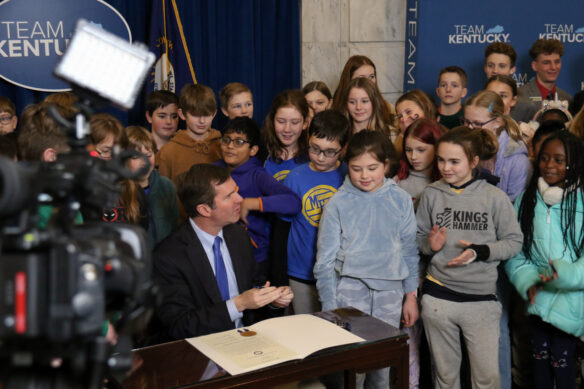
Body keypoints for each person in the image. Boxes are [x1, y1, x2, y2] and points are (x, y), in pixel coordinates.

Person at [416, 126, 523, 389]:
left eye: (454, 161)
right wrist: (431, 244)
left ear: (474, 161)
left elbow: (514, 242)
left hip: (481, 301)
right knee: (445, 377)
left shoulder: (494, 198)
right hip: (438, 298)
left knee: (486, 379)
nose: (445, 167)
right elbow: (417, 240)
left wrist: (480, 251)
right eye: (441, 160)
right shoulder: (431, 194)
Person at [314, 130, 419, 389]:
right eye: (356, 168)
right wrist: (330, 307)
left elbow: (409, 250)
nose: (364, 176)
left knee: (382, 368)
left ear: (386, 165)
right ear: (346, 166)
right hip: (349, 294)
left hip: (390, 293)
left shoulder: (401, 199)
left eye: (372, 168)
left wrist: (411, 296)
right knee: (351, 369)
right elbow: (324, 262)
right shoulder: (337, 203)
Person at [151, 163, 293, 341]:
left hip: (247, 341)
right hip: (201, 351)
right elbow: (180, 325)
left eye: (236, 191)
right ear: (204, 209)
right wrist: (238, 304)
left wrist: (272, 301)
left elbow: (255, 287)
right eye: (229, 196)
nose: (240, 199)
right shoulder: (168, 256)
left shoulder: (239, 236)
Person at [506, 131, 584, 389]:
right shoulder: (528, 200)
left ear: (574, 163)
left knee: (562, 364)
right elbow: (516, 248)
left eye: (559, 160)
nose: (550, 165)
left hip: (572, 304)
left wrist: (567, 275)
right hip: (538, 299)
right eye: (545, 158)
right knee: (538, 361)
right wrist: (527, 279)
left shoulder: (581, 200)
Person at [282, 110, 350, 314]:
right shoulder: (294, 178)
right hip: (300, 271)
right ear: (307, 140)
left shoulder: (349, 175)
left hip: (340, 272)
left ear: (343, 149)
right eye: (315, 148)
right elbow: (282, 228)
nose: (321, 157)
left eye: (330, 151)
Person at [215, 117, 301, 275]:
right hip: (219, 253)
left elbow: (293, 202)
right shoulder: (215, 169)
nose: (230, 146)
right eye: (226, 139)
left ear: (253, 150)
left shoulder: (257, 175)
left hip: (252, 258)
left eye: (239, 142)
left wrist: (252, 203)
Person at [464, 90, 530, 203]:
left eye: (477, 124)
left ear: (498, 122)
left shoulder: (517, 160)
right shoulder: (460, 147)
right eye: (466, 122)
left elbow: (514, 207)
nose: (470, 128)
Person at [120, 126, 179, 248]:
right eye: (136, 157)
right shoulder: (117, 192)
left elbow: (174, 228)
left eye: (148, 155)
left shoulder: (166, 186)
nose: (144, 163)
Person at [156, 83, 222, 185]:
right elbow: (162, 194)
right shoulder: (168, 152)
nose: (202, 121)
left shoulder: (223, 146)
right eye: (196, 115)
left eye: (207, 115)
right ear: (182, 114)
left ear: (214, 114)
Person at [333, 54, 398, 128]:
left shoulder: (387, 107)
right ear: (349, 80)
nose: (368, 81)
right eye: (362, 78)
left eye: (371, 77)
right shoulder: (334, 108)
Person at [395, 118, 444, 208]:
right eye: (408, 150)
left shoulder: (447, 181)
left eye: (421, 150)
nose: (413, 157)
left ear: (437, 147)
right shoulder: (397, 182)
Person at [262, 90, 310, 182]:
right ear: (272, 121)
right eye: (281, 121)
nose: (287, 129)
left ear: (305, 123)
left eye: (294, 122)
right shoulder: (262, 154)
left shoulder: (312, 157)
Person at [333, 77, 398, 142]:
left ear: (374, 102)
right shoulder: (338, 135)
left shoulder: (391, 135)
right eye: (352, 102)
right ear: (346, 104)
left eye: (364, 101)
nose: (358, 107)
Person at [519, 39, 572, 117]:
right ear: (535, 66)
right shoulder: (521, 97)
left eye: (557, 62)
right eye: (546, 63)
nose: (553, 67)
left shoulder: (567, 98)